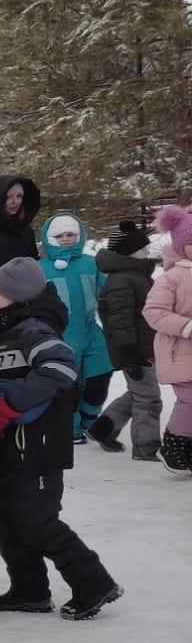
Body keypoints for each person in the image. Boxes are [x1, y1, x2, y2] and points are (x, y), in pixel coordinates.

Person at [0, 257, 123, 620]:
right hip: (9, 446)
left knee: (37, 521)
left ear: (17, 296)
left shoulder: (34, 329)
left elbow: (61, 367)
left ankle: (94, 583)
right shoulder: (2, 332)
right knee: (3, 521)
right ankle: (30, 590)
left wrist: (10, 405)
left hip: (37, 446)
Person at [37, 211, 114, 439]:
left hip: (91, 333)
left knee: (99, 377)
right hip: (59, 337)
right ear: (50, 238)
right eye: (60, 235)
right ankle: (69, 428)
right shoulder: (40, 268)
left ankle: (89, 419)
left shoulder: (91, 264)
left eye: (71, 234)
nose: (66, 239)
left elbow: (110, 294)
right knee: (65, 385)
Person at [93, 219, 163, 461]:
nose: (147, 252)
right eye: (143, 248)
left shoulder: (135, 275)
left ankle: (104, 427)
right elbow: (119, 321)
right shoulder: (121, 281)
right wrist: (130, 353)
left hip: (142, 345)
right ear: (130, 252)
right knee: (149, 397)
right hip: (133, 349)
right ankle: (147, 446)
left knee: (139, 391)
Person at [144, 203, 192, 478]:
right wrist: (186, 326)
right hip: (179, 351)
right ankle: (173, 446)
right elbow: (153, 312)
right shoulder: (171, 278)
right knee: (189, 401)